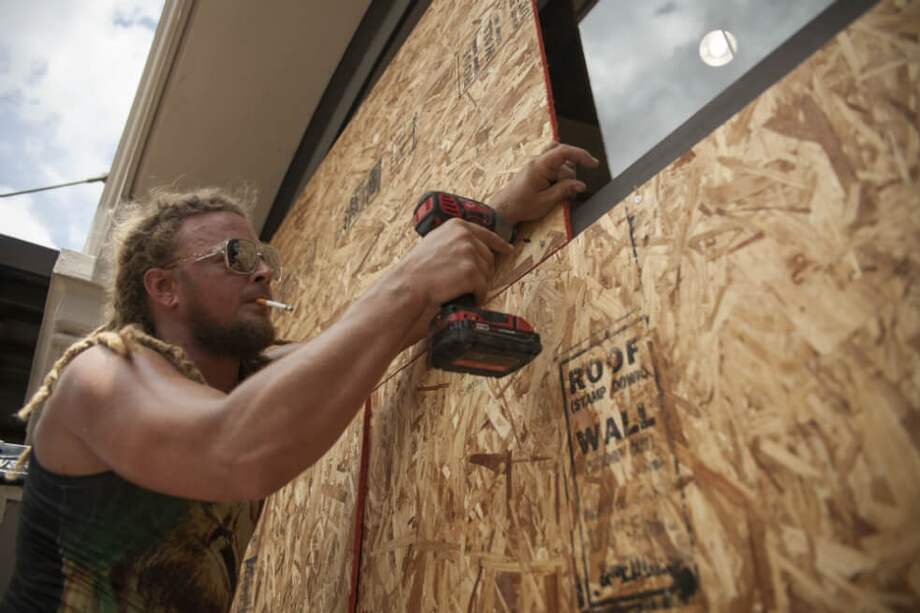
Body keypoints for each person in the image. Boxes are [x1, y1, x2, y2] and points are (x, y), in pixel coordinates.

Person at [1, 143, 598, 612]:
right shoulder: (102, 372)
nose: (263, 273)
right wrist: (414, 277)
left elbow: (366, 334)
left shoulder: (245, 384)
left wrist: (498, 214)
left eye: (264, 258)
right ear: (163, 288)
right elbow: (232, 447)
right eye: (236, 257)